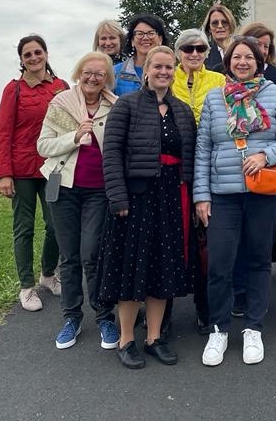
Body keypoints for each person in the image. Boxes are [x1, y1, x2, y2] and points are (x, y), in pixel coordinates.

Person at [194, 36, 276, 366]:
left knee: (257, 261)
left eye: (249, 57)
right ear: (228, 63)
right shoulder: (214, 99)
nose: (242, 62)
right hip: (222, 195)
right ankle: (219, 330)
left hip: (261, 194)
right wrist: (201, 196)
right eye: (236, 57)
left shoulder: (275, 94)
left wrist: (266, 155)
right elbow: (203, 151)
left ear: (259, 61)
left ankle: (253, 328)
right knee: (219, 264)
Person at [97, 46, 196, 368]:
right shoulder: (126, 106)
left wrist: (193, 200)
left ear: (175, 71)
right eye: (158, 66)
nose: (163, 72)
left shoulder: (181, 110)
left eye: (169, 67)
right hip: (135, 197)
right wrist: (118, 197)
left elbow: (190, 159)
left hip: (171, 197)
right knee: (130, 269)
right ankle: (126, 339)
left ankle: (154, 337)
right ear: (147, 70)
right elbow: (110, 154)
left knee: (162, 269)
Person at [36, 52, 120, 350]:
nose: (93, 78)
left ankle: (104, 316)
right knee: (69, 256)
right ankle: (71, 317)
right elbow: (43, 145)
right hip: (64, 188)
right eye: (88, 72)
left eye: (100, 73)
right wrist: (73, 136)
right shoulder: (61, 103)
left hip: (99, 191)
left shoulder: (114, 106)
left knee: (92, 254)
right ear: (79, 72)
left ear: (107, 78)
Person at [0, 35, 68, 312]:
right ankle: (26, 287)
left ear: (46, 54)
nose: (34, 58)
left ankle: (47, 275)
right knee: (24, 228)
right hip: (23, 171)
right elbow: (3, 133)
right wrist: (4, 174)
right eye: (28, 55)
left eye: (38, 52)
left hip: (54, 170)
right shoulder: (13, 90)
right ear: (21, 60)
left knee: (56, 223)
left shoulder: (60, 87)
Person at [171, 28, 226, 333]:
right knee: (174, 237)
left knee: (207, 240)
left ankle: (206, 306)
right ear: (179, 51)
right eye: (188, 48)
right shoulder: (169, 77)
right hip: (174, 167)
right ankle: (161, 308)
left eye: (200, 49)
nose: (194, 54)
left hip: (209, 164)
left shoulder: (218, 81)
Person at [240, 21, 276, 285]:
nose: (261, 49)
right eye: (256, 44)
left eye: (265, 45)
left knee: (262, 235)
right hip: (230, 175)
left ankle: (258, 291)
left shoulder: (274, 77)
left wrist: (271, 154)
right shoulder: (223, 81)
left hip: (266, 168)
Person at [114, 14, 168, 96]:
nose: (145, 38)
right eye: (139, 34)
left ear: (160, 39)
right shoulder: (115, 72)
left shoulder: (170, 73)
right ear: (132, 40)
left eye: (151, 33)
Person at [202, 2, 238, 72]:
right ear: (209, 28)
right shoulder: (204, 55)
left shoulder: (244, 48)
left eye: (224, 22)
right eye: (215, 23)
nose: (220, 26)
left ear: (230, 26)